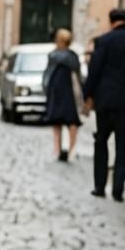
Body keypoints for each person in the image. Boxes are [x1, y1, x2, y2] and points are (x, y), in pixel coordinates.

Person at [84, 8, 125, 201]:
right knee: (123, 145)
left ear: (112, 21)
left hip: (104, 100)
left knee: (101, 141)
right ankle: (118, 190)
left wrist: (88, 93)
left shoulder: (103, 41)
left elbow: (94, 70)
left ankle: (99, 186)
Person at [42, 28, 83, 162]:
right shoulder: (72, 56)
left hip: (57, 90)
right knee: (71, 121)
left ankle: (57, 149)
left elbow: (47, 74)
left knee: (57, 121)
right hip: (68, 90)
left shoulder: (53, 55)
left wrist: (46, 88)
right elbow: (78, 74)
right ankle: (71, 149)